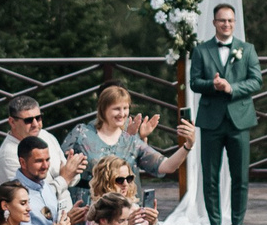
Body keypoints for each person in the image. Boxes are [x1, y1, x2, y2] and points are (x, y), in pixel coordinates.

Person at [189, 2, 262, 225]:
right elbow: (194, 82)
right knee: (210, 174)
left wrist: (231, 88)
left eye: (230, 20)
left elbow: (256, 81)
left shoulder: (247, 49)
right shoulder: (201, 50)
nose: (226, 24)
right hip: (211, 120)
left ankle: (237, 224)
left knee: (240, 175)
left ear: (234, 22)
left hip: (239, 119)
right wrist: (213, 85)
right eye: (222, 20)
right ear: (214, 23)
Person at [63, 84, 195, 205]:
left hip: (124, 208)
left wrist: (188, 145)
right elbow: (59, 166)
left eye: (125, 108)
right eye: (116, 109)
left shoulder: (131, 140)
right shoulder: (82, 134)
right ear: (103, 110)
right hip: (89, 206)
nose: (122, 114)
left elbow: (167, 166)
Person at [0, 95, 86, 190]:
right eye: (28, 120)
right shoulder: (8, 157)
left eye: (38, 118)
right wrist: (64, 178)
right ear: (12, 122)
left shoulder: (45, 136)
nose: (35, 124)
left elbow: (69, 179)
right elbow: (31, 196)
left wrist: (72, 169)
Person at [13, 139, 76, 225]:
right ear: (23, 163)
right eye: (39, 161)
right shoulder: (15, 193)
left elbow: (49, 219)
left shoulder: (45, 185)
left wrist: (68, 220)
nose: (45, 166)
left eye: (47, 160)